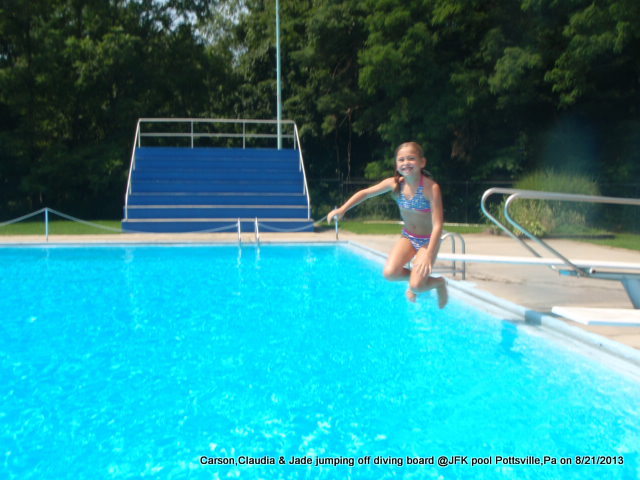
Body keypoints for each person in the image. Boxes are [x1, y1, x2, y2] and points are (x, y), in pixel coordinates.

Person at [326, 141, 448, 307]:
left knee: (418, 287)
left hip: (428, 240)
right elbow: (366, 193)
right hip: (408, 237)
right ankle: (416, 279)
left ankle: (439, 283)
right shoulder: (395, 184)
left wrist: (428, 253)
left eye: (411, 158)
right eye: (401, 159)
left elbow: (438, 225)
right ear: (397, 164)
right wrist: (343, 209)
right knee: (390, 273)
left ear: (422, 162)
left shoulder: (430, 188)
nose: (406, 163)